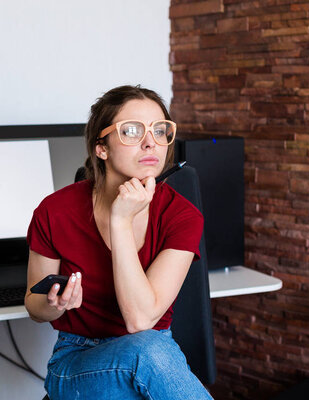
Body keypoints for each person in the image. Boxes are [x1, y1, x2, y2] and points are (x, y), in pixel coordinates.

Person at [25, 85, 213, 399]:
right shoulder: (54, 210)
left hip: (153, 351)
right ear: (102, 147)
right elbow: (34, 305)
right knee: (148, 353)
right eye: (131, 131)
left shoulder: (182, 215)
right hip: (77, 358)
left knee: (148, 351)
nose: (150, 141)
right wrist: (53, 305)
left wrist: (120, 221)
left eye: (160, 130)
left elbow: (140, 318)